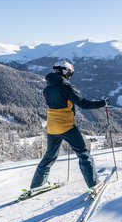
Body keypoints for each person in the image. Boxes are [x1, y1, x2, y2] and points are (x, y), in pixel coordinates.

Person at [29, 59, 107, 192]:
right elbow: (83, 103)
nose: (70, 76)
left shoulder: (47, 88)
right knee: (83, 154)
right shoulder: (64, 86)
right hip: (66, 126)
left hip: (52, 127)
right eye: (70, 73)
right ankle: (94, 184)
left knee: (49, 155)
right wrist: (102, 103)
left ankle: (37, 185)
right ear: (65, 72)